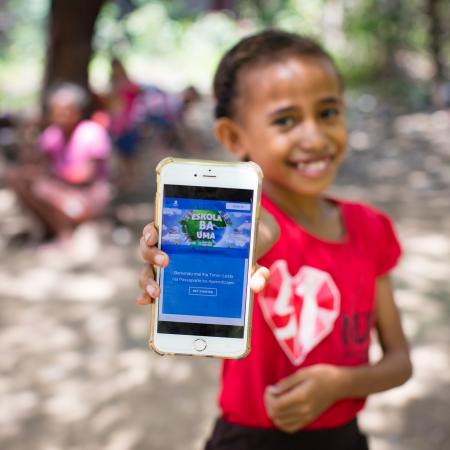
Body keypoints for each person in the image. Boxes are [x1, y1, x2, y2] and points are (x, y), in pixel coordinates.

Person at [136, 30, 412, 449]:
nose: (314, 137)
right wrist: (175, 258)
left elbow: (400, 364)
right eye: (285, 120)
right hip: (245, 440)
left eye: (328, 113)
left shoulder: (372, 229)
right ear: (233, 138)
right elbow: (255, 234)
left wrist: (339, 385)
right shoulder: (250, 226)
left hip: (344, 439)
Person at [8, 82, 112, 242]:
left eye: (65, 112)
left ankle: (65, 234)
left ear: (77, 111)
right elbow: (34, 163)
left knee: (42, 187)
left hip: (87, 198)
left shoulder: (91, 132)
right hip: (62, 195)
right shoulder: (52, 135)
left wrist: (50, 178)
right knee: (20, 179)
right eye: (56, 112)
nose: (60, 116)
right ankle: (53, 230)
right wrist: (28, 136)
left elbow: (84, 176)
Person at [109, 58, 142, 191]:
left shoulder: (127, 84)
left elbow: (137, 92)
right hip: (118, 123)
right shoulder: (115, 83)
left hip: (128, 123)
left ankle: (132, 180)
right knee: (121, 153)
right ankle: (126, 178)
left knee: (129, 154)